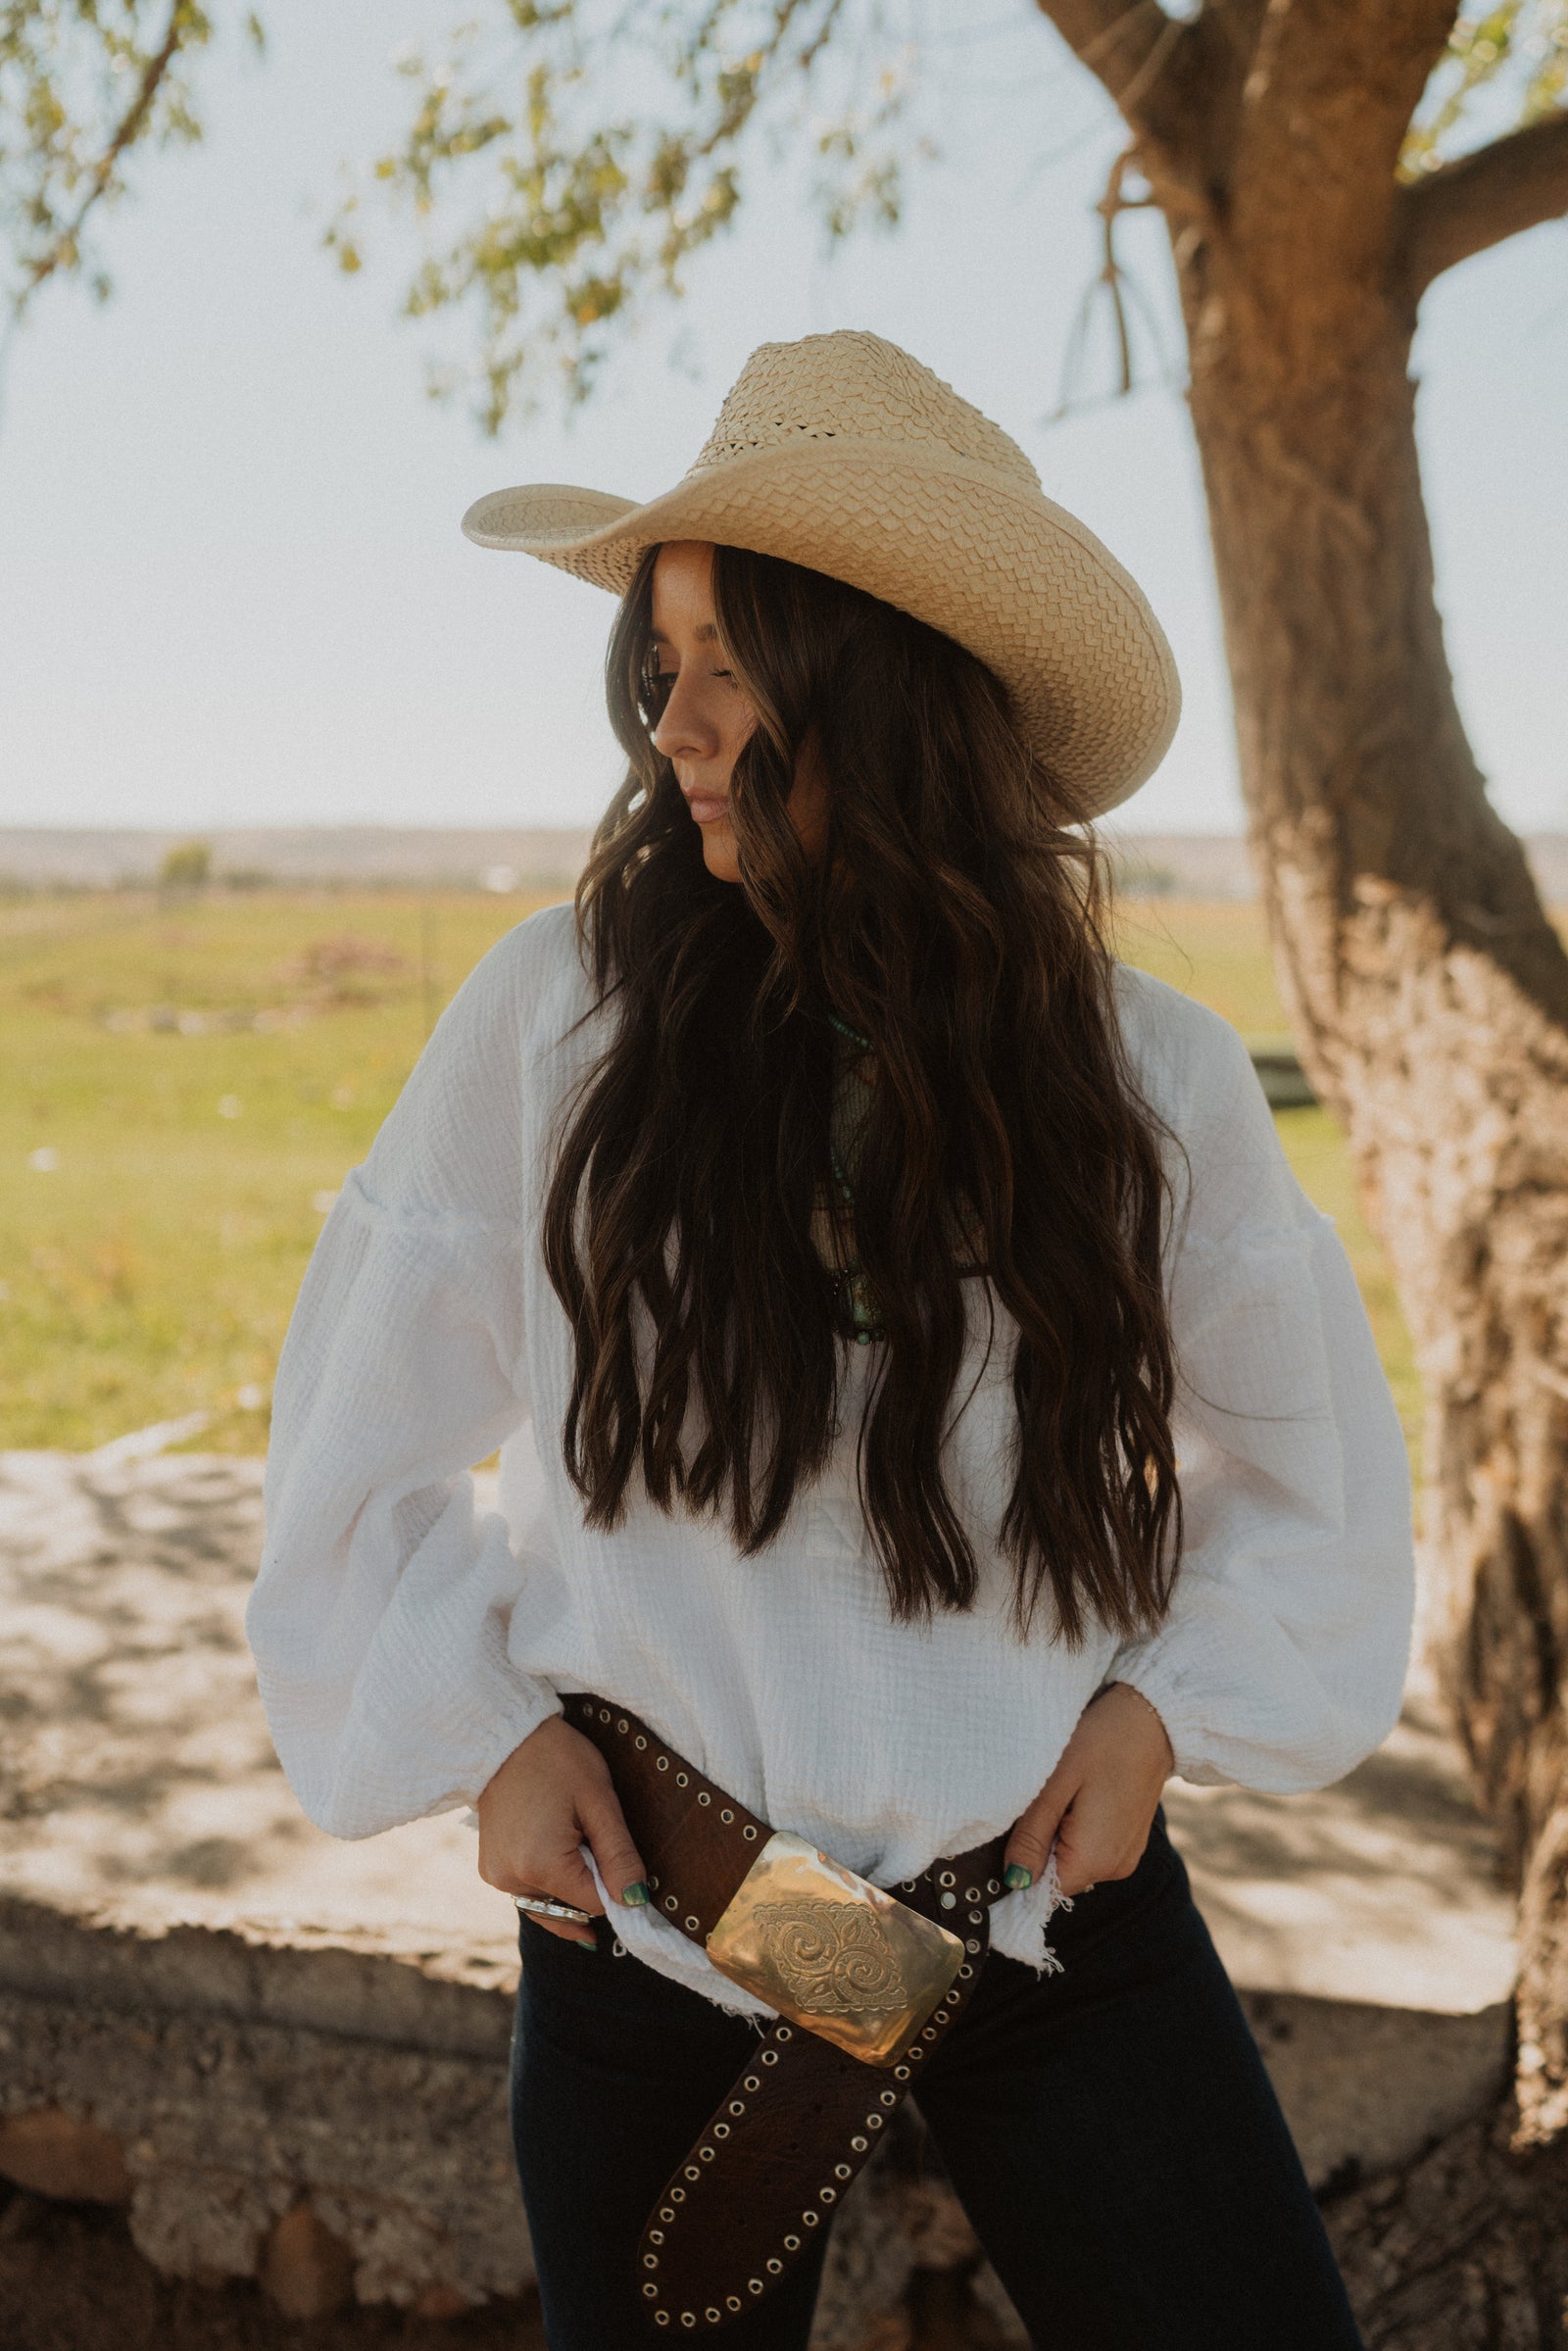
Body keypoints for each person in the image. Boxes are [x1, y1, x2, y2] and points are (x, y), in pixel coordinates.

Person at [248, 330, 1414, 2349]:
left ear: (881, 682)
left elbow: (1308, 1472)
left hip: (1042, 1916)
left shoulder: (1145, 1077)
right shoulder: (556, 1022)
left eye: (727, 664)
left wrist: (1152, 1718)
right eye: (658, 665)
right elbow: (360, 1422)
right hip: (671, 1919)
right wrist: (484, 1730)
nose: (671, 727)